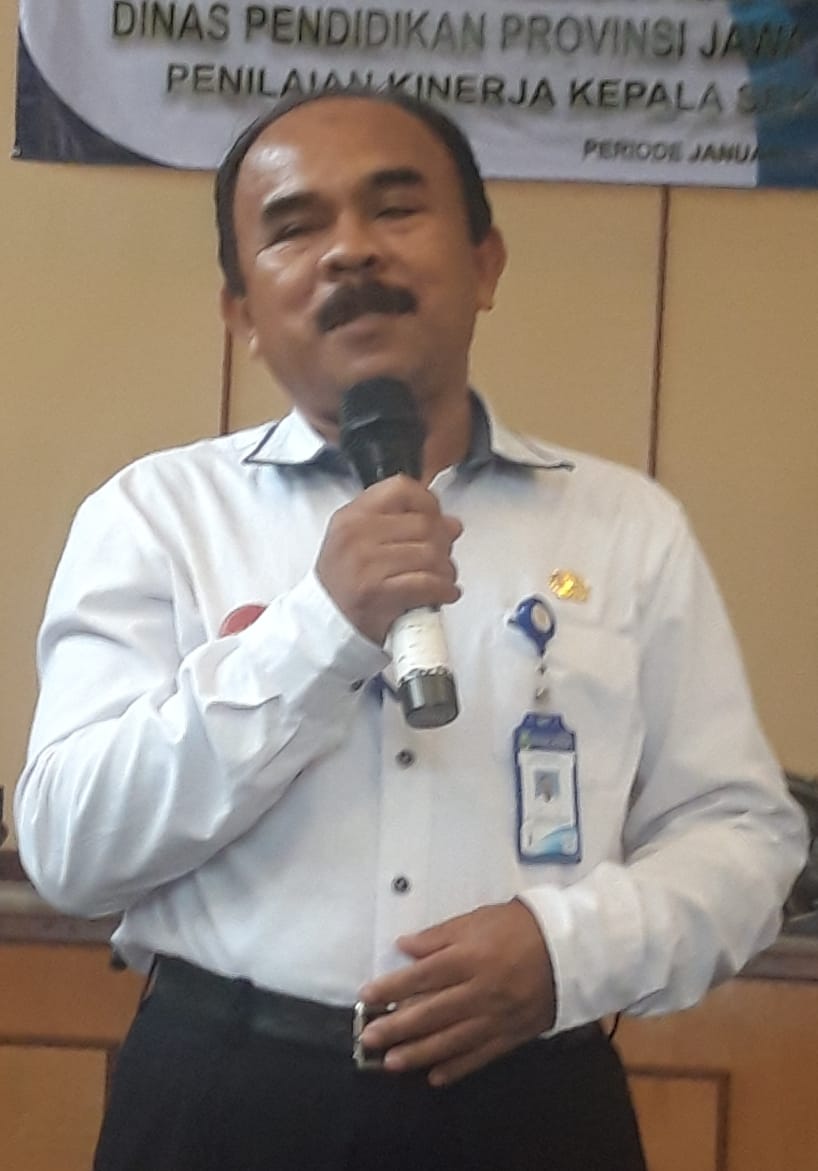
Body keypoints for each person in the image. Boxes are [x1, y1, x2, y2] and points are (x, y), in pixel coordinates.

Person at [15, 87, 806, 1171]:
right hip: (224, 1100)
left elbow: (744, 835)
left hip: (533, 1102)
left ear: (485, 266)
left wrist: (569, 950)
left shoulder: (624, 526)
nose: (349, 250)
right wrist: (319, 627)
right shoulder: (155, 516)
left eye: (394, 208)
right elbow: (71, 849)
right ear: (240, 313)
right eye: (294, 227)